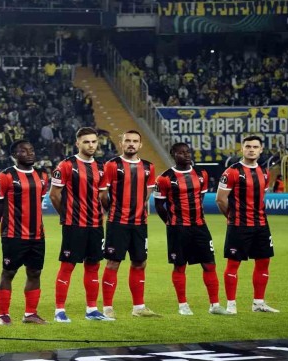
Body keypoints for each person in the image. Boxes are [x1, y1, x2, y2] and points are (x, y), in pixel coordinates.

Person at [154, 143, 231, 316]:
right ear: (174, 155)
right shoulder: (164, 178)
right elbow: (159, 205)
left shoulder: (201, 174)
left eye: (188, 152)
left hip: (200, 227)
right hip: (178, 228)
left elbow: (200, 198)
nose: (187, 155)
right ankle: (183, 305)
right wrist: (170, 223)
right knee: (180, 266)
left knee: (209, 264)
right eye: (181, 153)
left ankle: (215, 305)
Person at [49, 127, 112, 323]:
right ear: (77, 143)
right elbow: (54, 195)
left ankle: (92, 309)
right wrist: (66, 215)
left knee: (93, 265)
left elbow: (102, 196)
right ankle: (59, 311)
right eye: (86, 142)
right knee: (68, 266)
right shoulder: (66, 165)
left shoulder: (101, 167)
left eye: (94, 141)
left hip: (96, 225)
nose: (91, 145)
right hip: (74, 224)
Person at [100, 130, 160, 318]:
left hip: (140, 223)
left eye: (135, 141)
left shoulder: (149, 167)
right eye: (128, 141)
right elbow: (103, 195)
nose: (131, 144)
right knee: (113, 263)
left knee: (140, 262)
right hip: (117, 222)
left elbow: (147, 193)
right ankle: (107, 309)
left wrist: (138, 208)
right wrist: (113, 210)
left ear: (140, 145)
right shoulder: (112, 165)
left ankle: (138, 308)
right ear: (121, 143)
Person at [0, 139, 50, 326]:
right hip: (13, 235)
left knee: (35, 272)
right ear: (15, 155)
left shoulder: (42, 175)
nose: (29, 153)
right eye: (24, 151)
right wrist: (9, 223)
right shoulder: (5, 176)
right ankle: (3, 315)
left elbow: (38, 201)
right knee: (8, 272)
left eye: (31, 150)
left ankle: (30, 313)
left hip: (37, 235)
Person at [216, 136, 278, 314]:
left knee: (263, 261)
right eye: (248, 146)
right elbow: (220, 199)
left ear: (261, 150)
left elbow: (261, 197)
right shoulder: (232, 172)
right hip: (239, 225)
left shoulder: (264, 172)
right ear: (242, 149)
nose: (251, 149)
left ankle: (258, 303)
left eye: (255, 147)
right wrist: (232, 217)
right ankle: (231, 305)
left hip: (261, 225)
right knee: (233, 264)